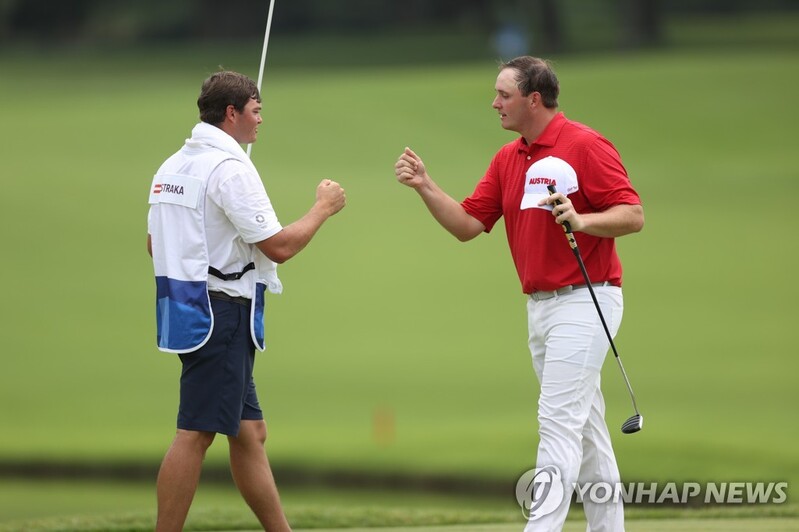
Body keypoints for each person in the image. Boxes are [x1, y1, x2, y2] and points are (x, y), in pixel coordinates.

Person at [393, 56, 643, 531]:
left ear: (534, 99)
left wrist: (584, 219)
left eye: (503, 95)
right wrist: (425, 185)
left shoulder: (586, 145)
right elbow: (468, 225)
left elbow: (632, 213)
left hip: (587, 300)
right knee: (586, 430)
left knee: (557, 424)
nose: (494, 103)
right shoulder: (509, 158)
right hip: (541, 309)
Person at [146, 71, 346, 531]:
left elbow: (156, 245)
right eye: (256, 112)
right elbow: (279, 246)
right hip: (223, 313)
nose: (260, 121)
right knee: (195, 433)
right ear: (232, 113)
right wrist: (323, 207)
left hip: (188, 308)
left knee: (249, 433)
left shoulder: (172, 166)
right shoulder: (229, 169)